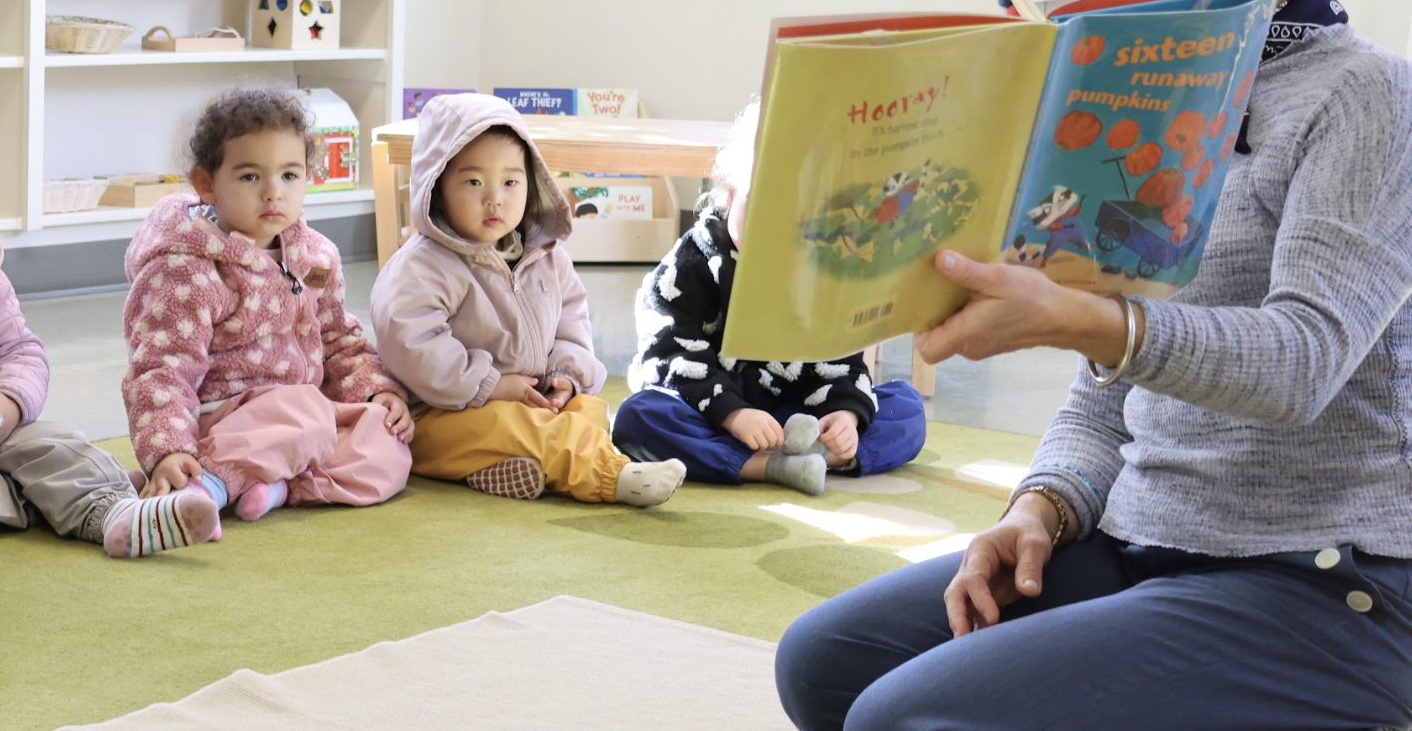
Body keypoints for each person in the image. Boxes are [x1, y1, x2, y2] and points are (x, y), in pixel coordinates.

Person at [775, 0, 1412, 731]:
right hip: (1140, 536)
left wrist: (1079, 316)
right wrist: (1041, 506)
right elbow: (1108, 388)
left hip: (1322, 581)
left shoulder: (1369, 96)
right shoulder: (1154, 100)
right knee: (825, 664)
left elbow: (1300, 361)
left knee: (901, 722)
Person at [371, 92, 686, 506]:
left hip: (529, 398)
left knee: (588, 409)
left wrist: (564, 378)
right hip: (442, 413)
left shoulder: (546, 255)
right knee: (515, 426)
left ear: (531, 182)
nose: (495, 198)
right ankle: (609, 477)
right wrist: (491, 386)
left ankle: (501, 469)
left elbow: (571, 319)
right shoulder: (423, 265)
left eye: (510, 182)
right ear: (437, 187)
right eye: (473, 182)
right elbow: (412, 343)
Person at [0, 109, 218, 563]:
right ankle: (62, 496)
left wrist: (8, 402)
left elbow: (20, 352)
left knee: (57, 442)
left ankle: (116, 514)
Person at [122, 88, 412, 525]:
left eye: (290, 175)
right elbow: (162, 369)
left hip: (301, 418)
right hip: (224, 422)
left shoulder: (315, 258)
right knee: (305, 414)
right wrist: (168, 451)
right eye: (250, 177)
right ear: (206, 184)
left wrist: (377, 391)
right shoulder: (187, 270)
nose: (274, 193)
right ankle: (203, 486)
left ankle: (277, 487)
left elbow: (338, 339)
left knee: (386, 443)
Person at [612, 103, 927, 497]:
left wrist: (845, 415)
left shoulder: (824, 270)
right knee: (638, 417)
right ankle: (768, 467)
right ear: (730, 192)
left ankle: (828, 455)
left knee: (906, 408)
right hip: (712, 413)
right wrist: (733, 414)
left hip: (798, 419)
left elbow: (841, 357)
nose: (773, 226)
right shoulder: (691, 264)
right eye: (760, 203)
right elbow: (669, 353)